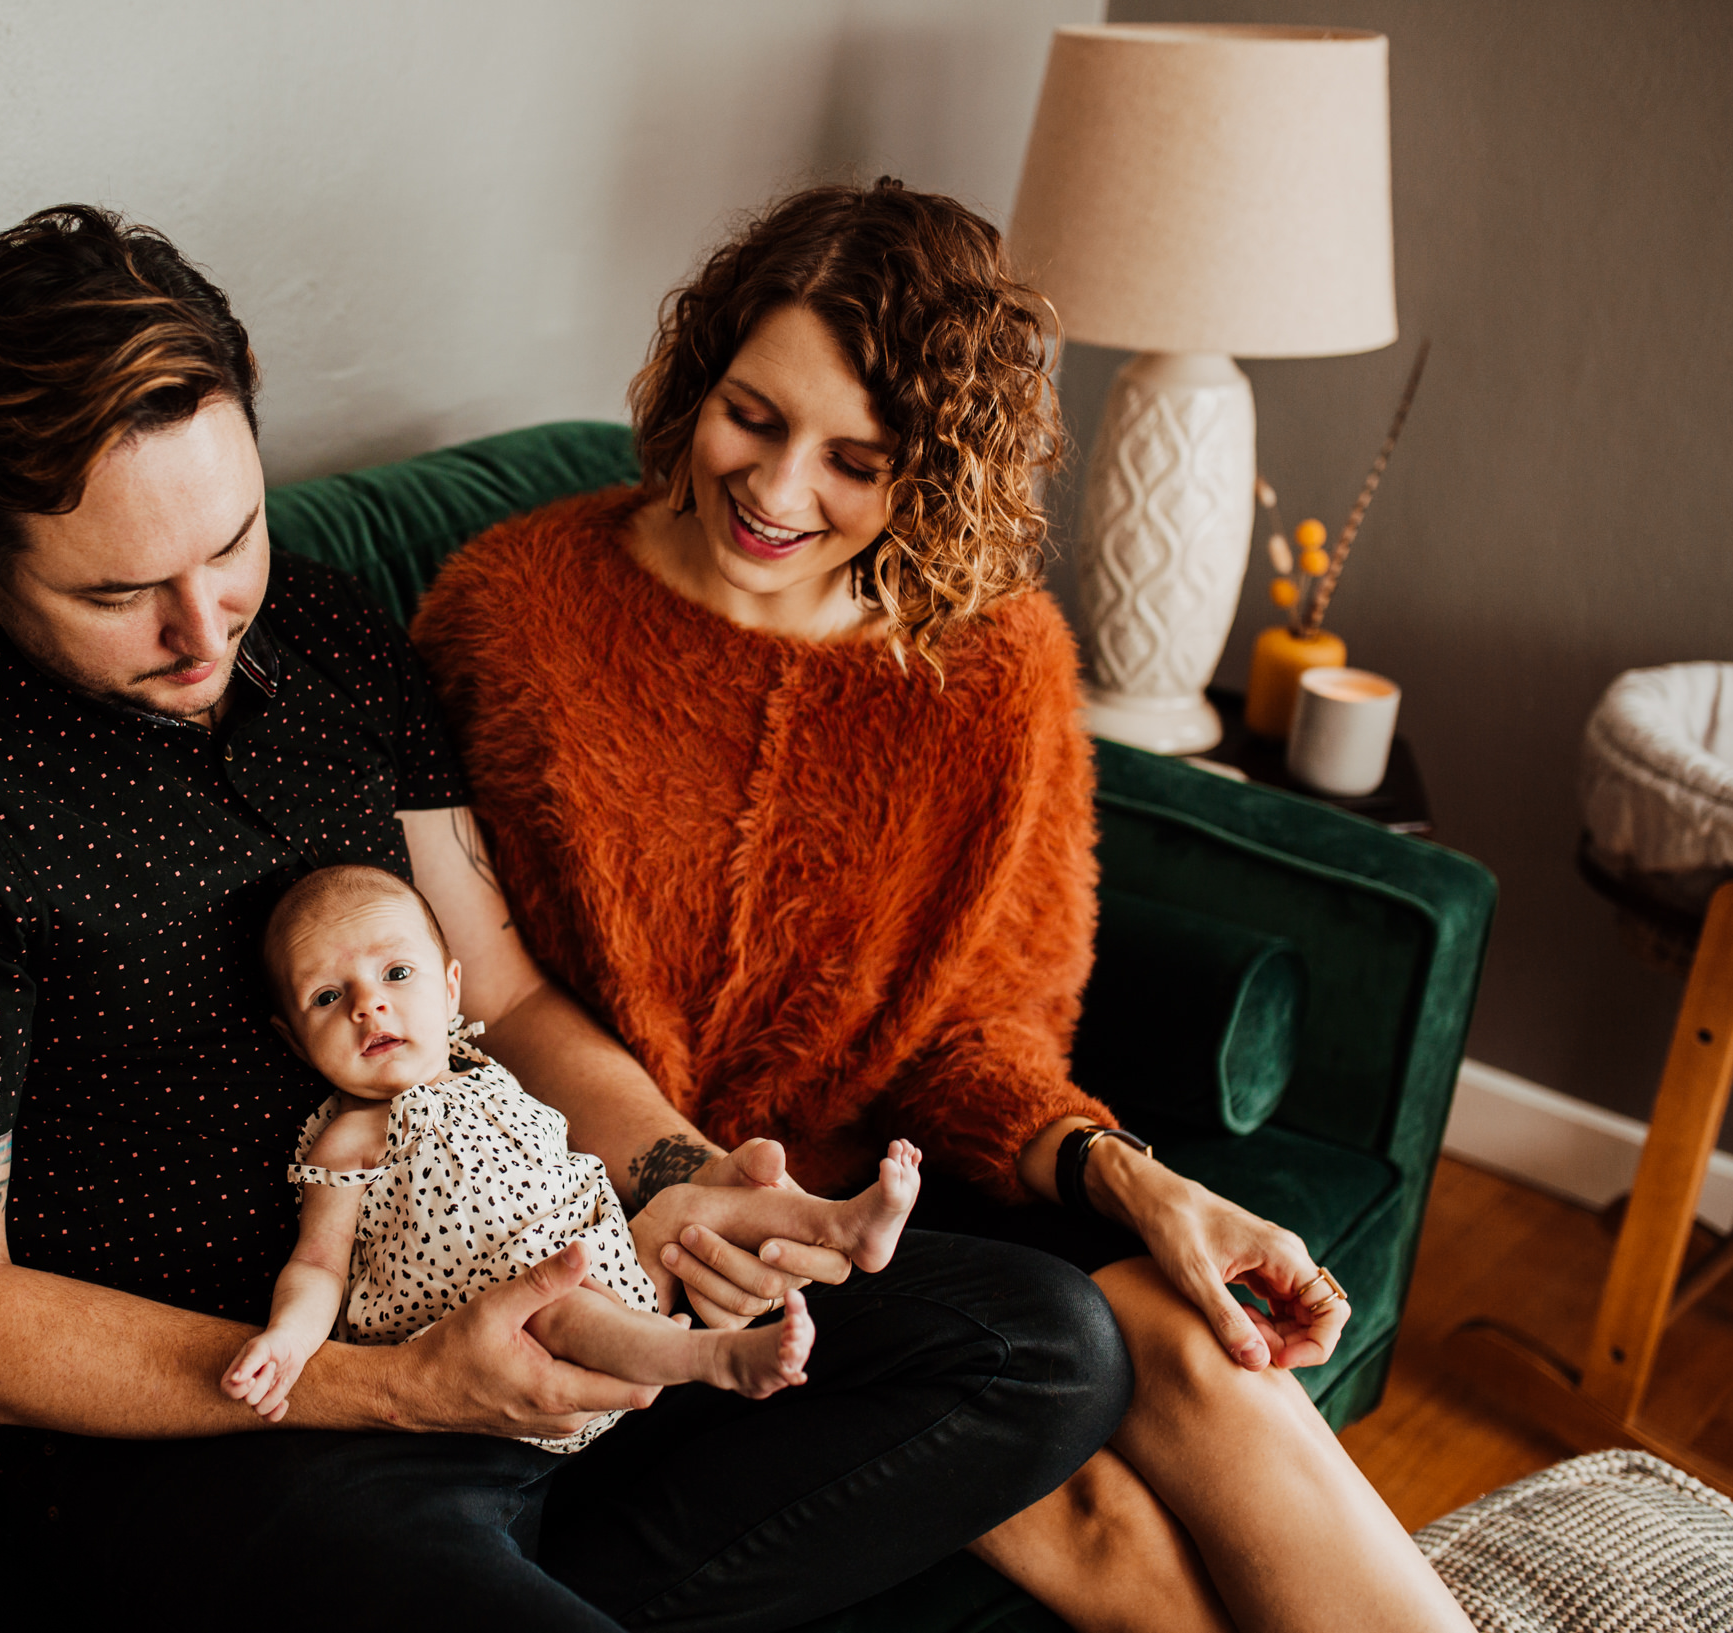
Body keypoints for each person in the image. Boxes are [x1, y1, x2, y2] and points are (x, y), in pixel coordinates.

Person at [0, 203, 1130, 1629]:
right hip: (239, 1424)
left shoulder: (332, 637)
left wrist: (677, 1176)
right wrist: (400, 1389)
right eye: (120, 593)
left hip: (518, 1274)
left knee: (1044, 1344)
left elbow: (507, 994)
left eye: (231, 543)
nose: (207, 628)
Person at [411, 179, 1474, 1633]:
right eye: (752, 414)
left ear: (941, 468)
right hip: (629, 1230)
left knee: (1200, 1344)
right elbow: (472, 996)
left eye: (857, 456)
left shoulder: (993, 669)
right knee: (1089, 1503)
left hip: (892, 1215)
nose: (779, 492)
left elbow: (980, 1038)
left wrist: (1137, 1180)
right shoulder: (510, 612)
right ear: (695, 375)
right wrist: (687, 1176)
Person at [226, 862, 928, 1436]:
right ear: (293, 1039)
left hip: (616, 1269)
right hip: (501, 1346)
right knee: (561, 1304)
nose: (367, 1006)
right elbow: (318, 1263)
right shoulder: (347, 1136)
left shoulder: (486, 1074)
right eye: (326, 996)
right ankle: (712, 1358)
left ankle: (843, 1224)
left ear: (449, 989)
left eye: (396, 974)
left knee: (685, 1203)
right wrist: (289, 1340)